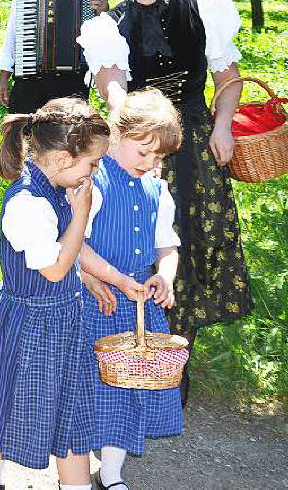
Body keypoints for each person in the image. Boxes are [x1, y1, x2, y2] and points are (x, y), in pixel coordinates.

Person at [77, 0, 251, 407]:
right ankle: (127, 356)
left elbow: (229, 79)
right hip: (137, 153)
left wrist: (223, 125)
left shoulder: (202, 15)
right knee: (132, 246)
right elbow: (113, 89)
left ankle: (176, 364)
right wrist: (129, 138)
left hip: (194, 147)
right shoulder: (109, 26)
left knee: (186, 249)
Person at [0, 97, 110, 490]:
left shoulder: (59, 187)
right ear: (61, 159)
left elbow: (70, 254)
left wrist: (93, 277)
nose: (95, 171)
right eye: (92, 163)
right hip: (30, 323)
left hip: (64, 320)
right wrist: (79, 215)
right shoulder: (26, 203)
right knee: (8, 403)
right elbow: (56, 266)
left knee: (71, 412)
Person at [77, 89, 184, 490]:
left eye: (158, 157)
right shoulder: (94, 181)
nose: (150, 164)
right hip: (96, 302)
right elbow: (77, 245)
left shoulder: (157, 189)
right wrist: (116, 279)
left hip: (138, 305)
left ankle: (112, 473)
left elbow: (166, 245)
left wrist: (166, 276)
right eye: (143, 152)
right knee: (94, 386)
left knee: (129, 387)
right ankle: (76, 465)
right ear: (117, 135)